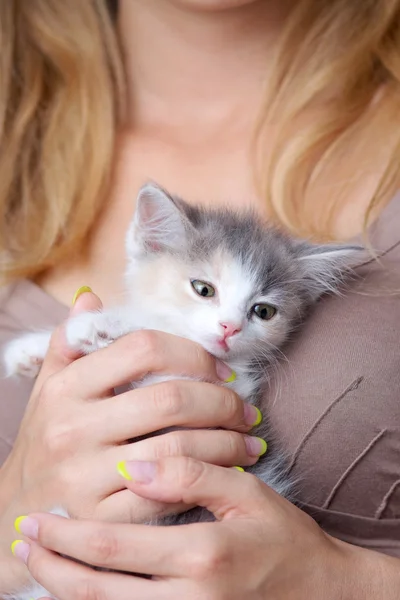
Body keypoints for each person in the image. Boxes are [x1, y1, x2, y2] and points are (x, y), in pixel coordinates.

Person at [1, 0, 399, 597]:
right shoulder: (16, 141)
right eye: (208, 291)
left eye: (259, 310)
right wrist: (13, 527)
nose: (230, 326)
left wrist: (342, 582)